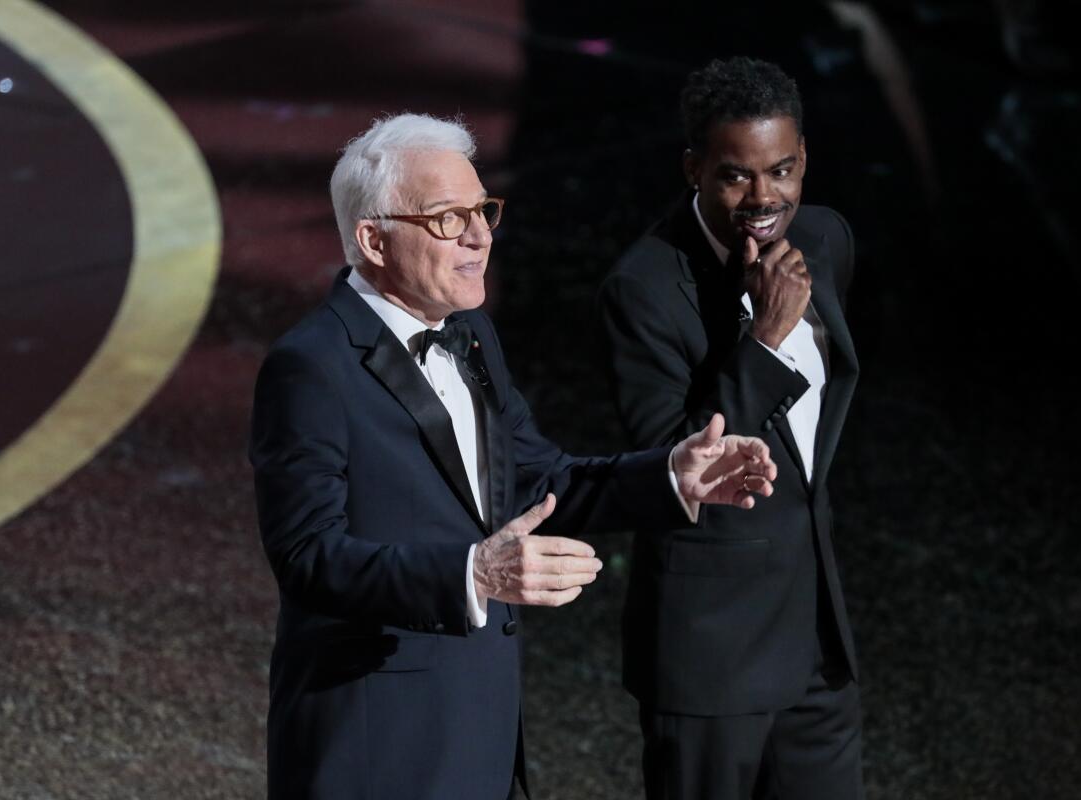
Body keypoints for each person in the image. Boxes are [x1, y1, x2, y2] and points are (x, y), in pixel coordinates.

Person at [249, 113, 779, 800]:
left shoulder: (472, 335)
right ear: (373, 240)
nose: (479, 236)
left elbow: (541, 479)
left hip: (482, 738)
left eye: (483, 210)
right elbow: (308, 557)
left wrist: (671, 474)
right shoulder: (310, 367)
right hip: (375, 747)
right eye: (448, 218)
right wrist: (472, 573)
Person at [598, 57, 863, 799]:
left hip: (816, 643)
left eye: (781, 170)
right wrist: (766, 342)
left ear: (803, 157)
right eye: (735, 176)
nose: (763, 196)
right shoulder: (643, 289)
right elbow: (678, 464)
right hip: (710, 652)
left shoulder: (826, 241)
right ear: (694, 168)